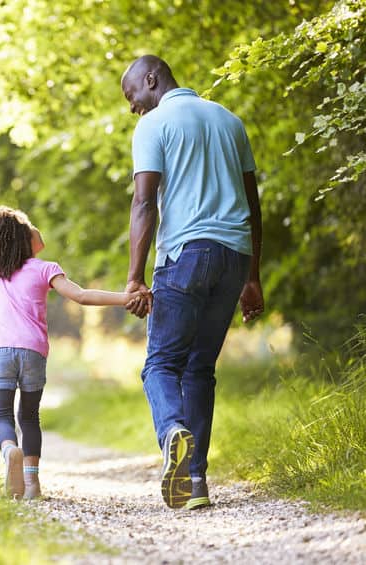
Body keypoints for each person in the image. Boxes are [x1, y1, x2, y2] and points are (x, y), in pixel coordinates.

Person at [120, 55, 264, 510]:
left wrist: (134, 278)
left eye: (132, 96)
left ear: (151, 79)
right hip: (235, 257)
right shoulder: (229, 120)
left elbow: (144, 204)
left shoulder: (154, 124)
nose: (132, 107)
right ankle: (195, 481)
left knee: (160, 365)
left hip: (186, 255)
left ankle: (171, 432)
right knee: (200, 368)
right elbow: (253, 205)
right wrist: (253, 277)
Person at [0, 207, 148, 499]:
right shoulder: (46, 269)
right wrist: (126, 298)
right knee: (30, 417)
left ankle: (9, 451)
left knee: (2, 415)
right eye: (29, 226)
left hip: (1, 351)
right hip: (33, 351)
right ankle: (32, 483)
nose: (35, 229)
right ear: (23, 238)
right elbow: (82, 296)